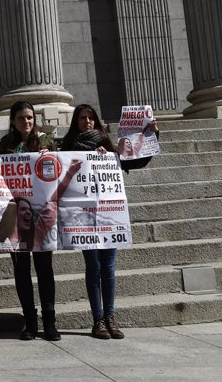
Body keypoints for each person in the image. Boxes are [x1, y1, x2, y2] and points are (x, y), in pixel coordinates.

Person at [0, 100, 65, 341]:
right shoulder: (3, 146)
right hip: (16, 215)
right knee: (21, 270)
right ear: (13, 120)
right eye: (22, 118)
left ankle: (50, 321)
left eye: (30, 117)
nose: (27, 122)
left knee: (45, 268)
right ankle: (30, 322)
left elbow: (58, 171)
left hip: (41, 213)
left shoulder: (45, 141)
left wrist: (51, 156)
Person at [60, 103, 123, 340]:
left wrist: (150, 134)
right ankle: (97, 319)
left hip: (109, 214)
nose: (87, 122)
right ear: (76, 122)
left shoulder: (107, 145)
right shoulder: (69, 149)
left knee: (108, 267)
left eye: (90, 118)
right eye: (82, 118)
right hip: (84, 216)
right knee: (93, 266)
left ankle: (111, 317)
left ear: (96, 121)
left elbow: (133, 162)